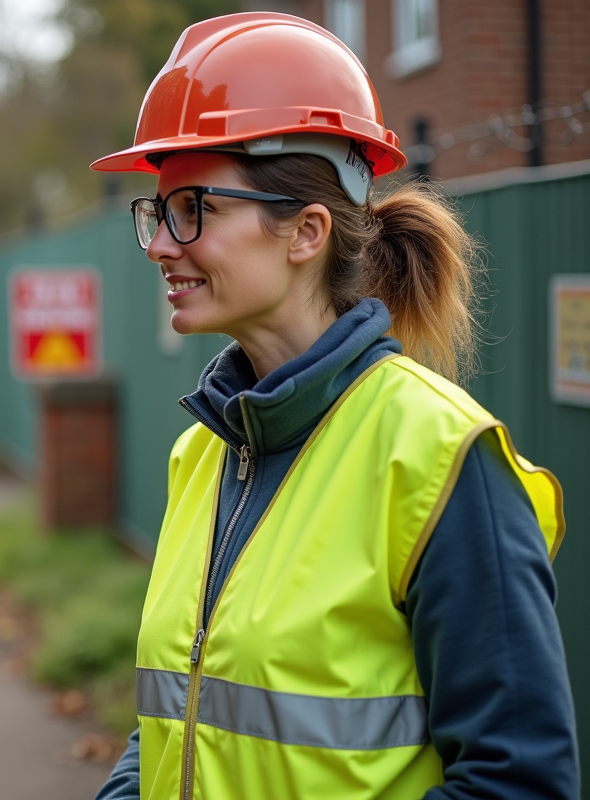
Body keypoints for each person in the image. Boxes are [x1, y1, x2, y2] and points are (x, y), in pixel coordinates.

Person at [88, 13, 577, 800]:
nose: (162, 246)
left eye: (192, 210)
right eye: (158, 212)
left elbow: (518, 781)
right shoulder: (203, 454)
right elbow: (174, 725)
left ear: (305, 232)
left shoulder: (442, 458)